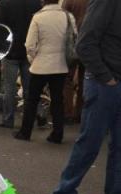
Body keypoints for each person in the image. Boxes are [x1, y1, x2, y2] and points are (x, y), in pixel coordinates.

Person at [52, 0, 121, 194]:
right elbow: (85, 44)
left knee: (120, 148)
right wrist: (106, 77)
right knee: (90, 141)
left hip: (113, 82)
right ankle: (65, 192)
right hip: (105, 84)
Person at [13, 0, 76, 143]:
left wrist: (33, 58)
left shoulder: (38, 17)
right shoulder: (67, 16)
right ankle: (57, 134)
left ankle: (25, 132)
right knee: (57, 100)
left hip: (40, 65)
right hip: (60, 65)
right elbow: (73, 38)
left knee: (32, 99)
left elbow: (29, 44)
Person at [0, 0, 42, 128]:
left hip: (10, 50)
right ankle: (31, 119)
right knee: (30, 88)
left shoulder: (5, 4)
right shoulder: (36, 3)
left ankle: (8, 119)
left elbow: (0, 28)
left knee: (9, 88)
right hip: (28, 50)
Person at [62, 0, 88, 124]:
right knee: (84, 82)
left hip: (71, 45)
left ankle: (67, 113)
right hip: (88, 45)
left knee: (67, 80)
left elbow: (63, 18)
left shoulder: (70, 1)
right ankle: (80, 114)